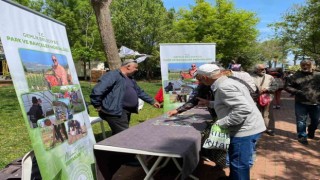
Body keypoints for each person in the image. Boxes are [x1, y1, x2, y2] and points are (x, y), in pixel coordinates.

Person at [195, 64, 266, 179]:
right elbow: (229, 103)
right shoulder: (226, 82)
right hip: (248, 127)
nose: (200, 82)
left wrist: (222, 123)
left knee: (238, 164)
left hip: (244, 131)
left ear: (205, 78)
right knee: (236, 161)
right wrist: (209, 103)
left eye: (200, 78)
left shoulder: (224, 86)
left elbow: (243, 109)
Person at [90, 59, 161, 135]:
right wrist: (97, 105)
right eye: (135, 67)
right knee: (124, 134)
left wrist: (152, 101)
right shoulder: (113, 75)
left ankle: (112, 145)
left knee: (118, 134)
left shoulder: (130, 78)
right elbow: (97, 90)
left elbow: (139, 91)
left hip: (125, 111)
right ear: (128, 66)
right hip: (115, 111)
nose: (137, 70)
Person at [285, 59, 320, 145]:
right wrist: (298, 92)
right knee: (301, 121)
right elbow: (287, 86)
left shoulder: (318, 75)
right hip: (301, 103)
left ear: (312, 65)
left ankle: (311, 131)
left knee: (316, 121)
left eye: (307, 65)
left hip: (316, 103)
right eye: (303, 65)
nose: (305, 66)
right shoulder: (295, 76)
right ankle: (302, 136)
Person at [251, 64, 278, 136]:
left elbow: (276, 86)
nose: (263, 70)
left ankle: (270, 129)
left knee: (268, 114)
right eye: (261, 69)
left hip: (268, 98)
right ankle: (257, 129)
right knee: (256, 114)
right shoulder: (251, 77)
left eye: (264, 69)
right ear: (256, 70)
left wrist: (267, 89)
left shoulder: (270, 77)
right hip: (255, 98)